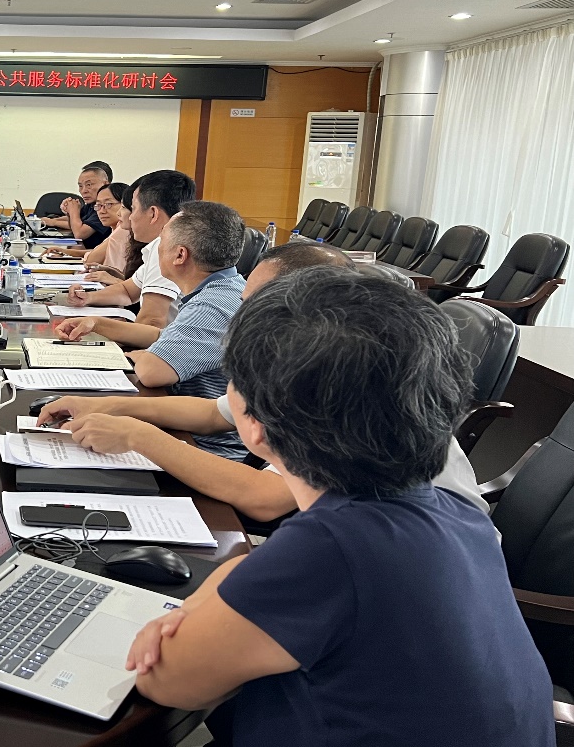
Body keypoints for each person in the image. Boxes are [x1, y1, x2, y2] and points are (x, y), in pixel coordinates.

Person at [121, 268, 554, 747]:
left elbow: (164, 682)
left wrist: (183, 617)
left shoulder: (329, 550)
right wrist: (232, 583)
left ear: (255, 425)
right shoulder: (453, 508)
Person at [41, 242, 489, 511]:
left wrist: (139, 436)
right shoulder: (298, 354)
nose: (243, 315)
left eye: (257, 303)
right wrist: (101, 406)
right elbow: (212, 413)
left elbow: (264, 499)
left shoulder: (345, 375)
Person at [119, 201, 247, 459]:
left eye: (162, 238)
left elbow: (152, 372)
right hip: (188, 426)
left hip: (208, 447)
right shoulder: (227, 287)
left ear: (180, 255)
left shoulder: (213, 304)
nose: (157, 247)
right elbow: (163, 340)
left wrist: (148, 356)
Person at [58, 169, 194, 340]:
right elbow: (128, 291)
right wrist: (87, 297)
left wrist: (97, 325)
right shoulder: (163, 243)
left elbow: (152, 321)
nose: (127, 216)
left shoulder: (169, 247)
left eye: (133, 208)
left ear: (153, 214)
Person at [41, 182, 128, 267]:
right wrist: (64, 251)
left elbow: (92, 258)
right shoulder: (116, 228)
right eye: (98, 205)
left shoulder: (123, 229)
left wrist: (73, 211)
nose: (101, 211)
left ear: (126, 205)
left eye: (108, 204)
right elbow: (99, 252)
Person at [39, 161, 113, 248]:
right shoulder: (91, 205)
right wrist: (68, 213)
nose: (84, 191)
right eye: (80, 186)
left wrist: (71, 212)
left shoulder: (105, 208)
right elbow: (77, 222)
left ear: (106, 184)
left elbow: (79, 233)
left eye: (89, 185)